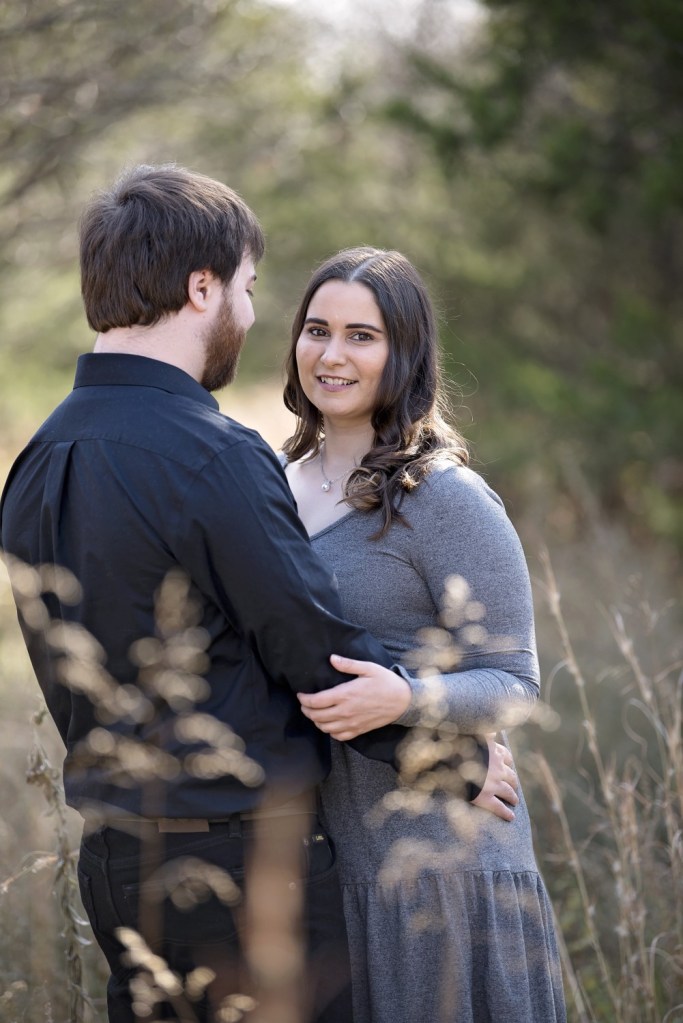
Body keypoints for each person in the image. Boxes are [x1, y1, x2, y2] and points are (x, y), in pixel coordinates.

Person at [0, 168, 513, 1023]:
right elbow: (311, 645)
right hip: (243, 866)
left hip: (114, 867)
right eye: (243, 287)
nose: (246, 311)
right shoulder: (212, 452)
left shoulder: (37, 459)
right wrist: (451, 758)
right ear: (201, 287)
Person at [281, 246, 567, 1023]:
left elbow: (513, 683)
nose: (331, 354)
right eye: (317, 329)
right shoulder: (271, 483)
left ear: (403, 352)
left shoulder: (442, 496)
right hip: (334, 862)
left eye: (361, 335)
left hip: (445, 861)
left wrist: (406, 696)